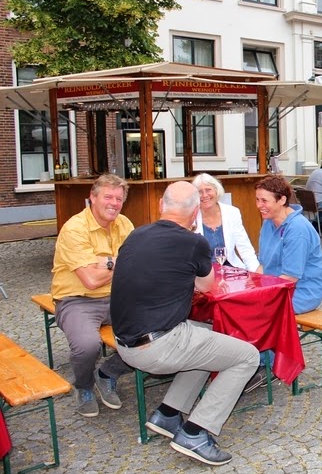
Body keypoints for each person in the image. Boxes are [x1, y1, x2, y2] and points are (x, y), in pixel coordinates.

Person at [110, 181, 259, 466]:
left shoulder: (136, 234)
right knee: (247, 357)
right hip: (157, 346)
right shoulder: (194, 242)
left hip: (124, 342)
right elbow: (206, 285)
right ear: (195, 214)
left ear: (160, 206)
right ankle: (196, 432)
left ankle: (168, 413)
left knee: (207, 334)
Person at [51, 174, 134, 417]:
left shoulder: (125, 224)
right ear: (92, 198)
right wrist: (121, 261)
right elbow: (90, 280)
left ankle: (107, 373)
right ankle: (84, 385)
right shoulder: (74, 228)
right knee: (87, 346)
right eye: (108, 197)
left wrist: (104, 262)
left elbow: (137, 262)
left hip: (118, 296)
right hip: (77, 300)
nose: (114, 203)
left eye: (118, 199)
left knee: (155, 331)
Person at [245, 175, 322, 390]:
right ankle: (249, 361)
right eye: (257, 200)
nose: (259, 205)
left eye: (264, 200)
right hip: (275, 287)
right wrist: (249, 287)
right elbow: (263, 265)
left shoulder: (297, 229)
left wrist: (259, 296)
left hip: (302, 291)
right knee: (240, 306)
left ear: (281, 200)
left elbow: (289, 279)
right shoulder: (269, 222)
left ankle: (267, 365)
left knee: (260, 312)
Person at [192, 173, 260, 271]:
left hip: (231, 271)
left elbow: (245, 248)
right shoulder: (191, 216)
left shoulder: (232, 212)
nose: (204, 195)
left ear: (216, 191)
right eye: (200, 192)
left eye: (208, 190)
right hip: (203, 273)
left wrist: (257, 274)